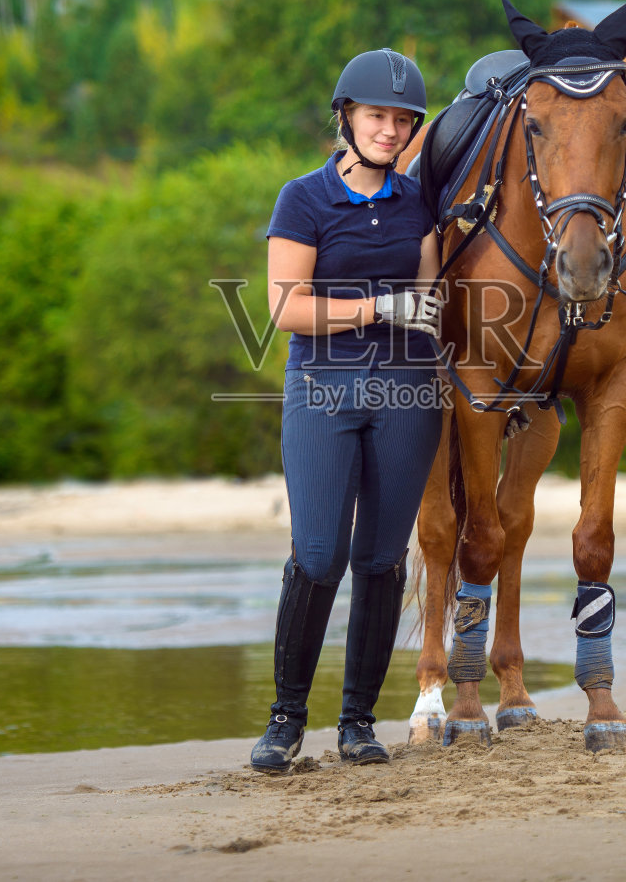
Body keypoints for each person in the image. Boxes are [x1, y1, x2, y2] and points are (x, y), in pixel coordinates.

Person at [250, 48, 444, 773]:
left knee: (381, 559)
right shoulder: (302, 199)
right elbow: (286, 309)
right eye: (376, 116)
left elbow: (432, 300)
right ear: (347, 118)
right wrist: (379, 307)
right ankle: (285, 721)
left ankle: (358, 723)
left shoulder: (419, 202)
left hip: (407, 392)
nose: (389, 130)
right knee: (319, 553)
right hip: (322, 390)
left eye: (402, 120)